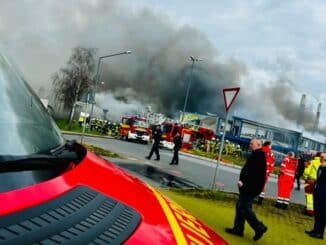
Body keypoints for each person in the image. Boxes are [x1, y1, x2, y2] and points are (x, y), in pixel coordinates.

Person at [225, 138, 268, 241]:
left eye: (252, 144)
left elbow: (254, 175)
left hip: (250, 188)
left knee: (244, 207)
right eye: (250, 143)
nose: (250, 145)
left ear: (258, 145)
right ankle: (238, 229)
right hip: (249, 187)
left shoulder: (258, 156)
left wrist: (243, 184)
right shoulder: (256, 154)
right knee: (240, 206)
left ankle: (259, 227)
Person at [305, 152, 326, 240]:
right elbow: (319, 178)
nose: (320, 159)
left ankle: (320, 233)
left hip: (324, 194)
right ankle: (315, 230)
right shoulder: (321, 167)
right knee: (317, 213)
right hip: (318, 192)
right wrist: (314, 181)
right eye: (321, 157)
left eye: (323, 158)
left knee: (323, 214)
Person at [303, 152, 321, 216]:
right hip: (319, 182)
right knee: (315, 196)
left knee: (309, 195)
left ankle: (309, 210)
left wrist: (305, 177)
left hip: (310, 180)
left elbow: (306, 171)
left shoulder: (312, 162)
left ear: (316, 156)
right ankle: (313, 209)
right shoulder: (323, 163)